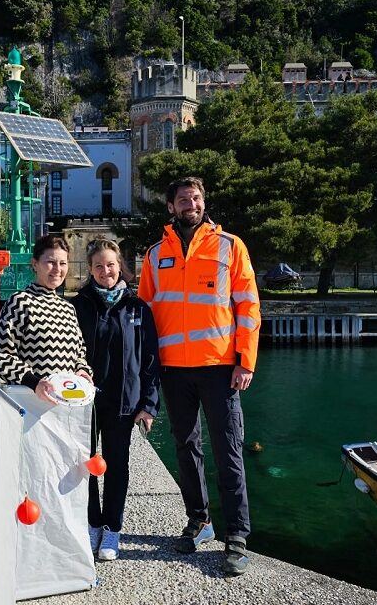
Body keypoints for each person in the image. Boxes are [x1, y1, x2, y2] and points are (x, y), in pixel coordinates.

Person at [138, 177, 261, 576]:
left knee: (229, 450)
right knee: (186, 448)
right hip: (174, 369)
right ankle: (199, 522)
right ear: (171, 207)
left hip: (220, 367)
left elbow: (248, 306)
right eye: (182, 199)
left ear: (203, 202)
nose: (190, 203)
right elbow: (143, 315)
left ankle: (237, 535)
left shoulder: (230, 247)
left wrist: (246, 360)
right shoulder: (155, 255)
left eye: (195, 197)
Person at [70, 238, 160, 561]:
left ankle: (112, 529)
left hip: (124, 403)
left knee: (117, 467)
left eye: (110, 265)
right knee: (87, 464)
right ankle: (93, 522)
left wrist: (148, 405)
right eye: (98, 266)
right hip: (85, 404)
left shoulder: (137, 308)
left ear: (119, 265)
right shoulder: (78, 306)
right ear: (90, 270)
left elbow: (150, 360)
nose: (105, 271)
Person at [0, 235, 92, 403]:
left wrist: (82, 370)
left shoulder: (68, 308)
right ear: (35, 264)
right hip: (30, 405)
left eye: (63, 263)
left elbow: (80, 353)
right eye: (50, 262)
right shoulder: (20, 302)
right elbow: (0, 356)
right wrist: (34, 383)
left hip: (67, 405)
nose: (57, 269)